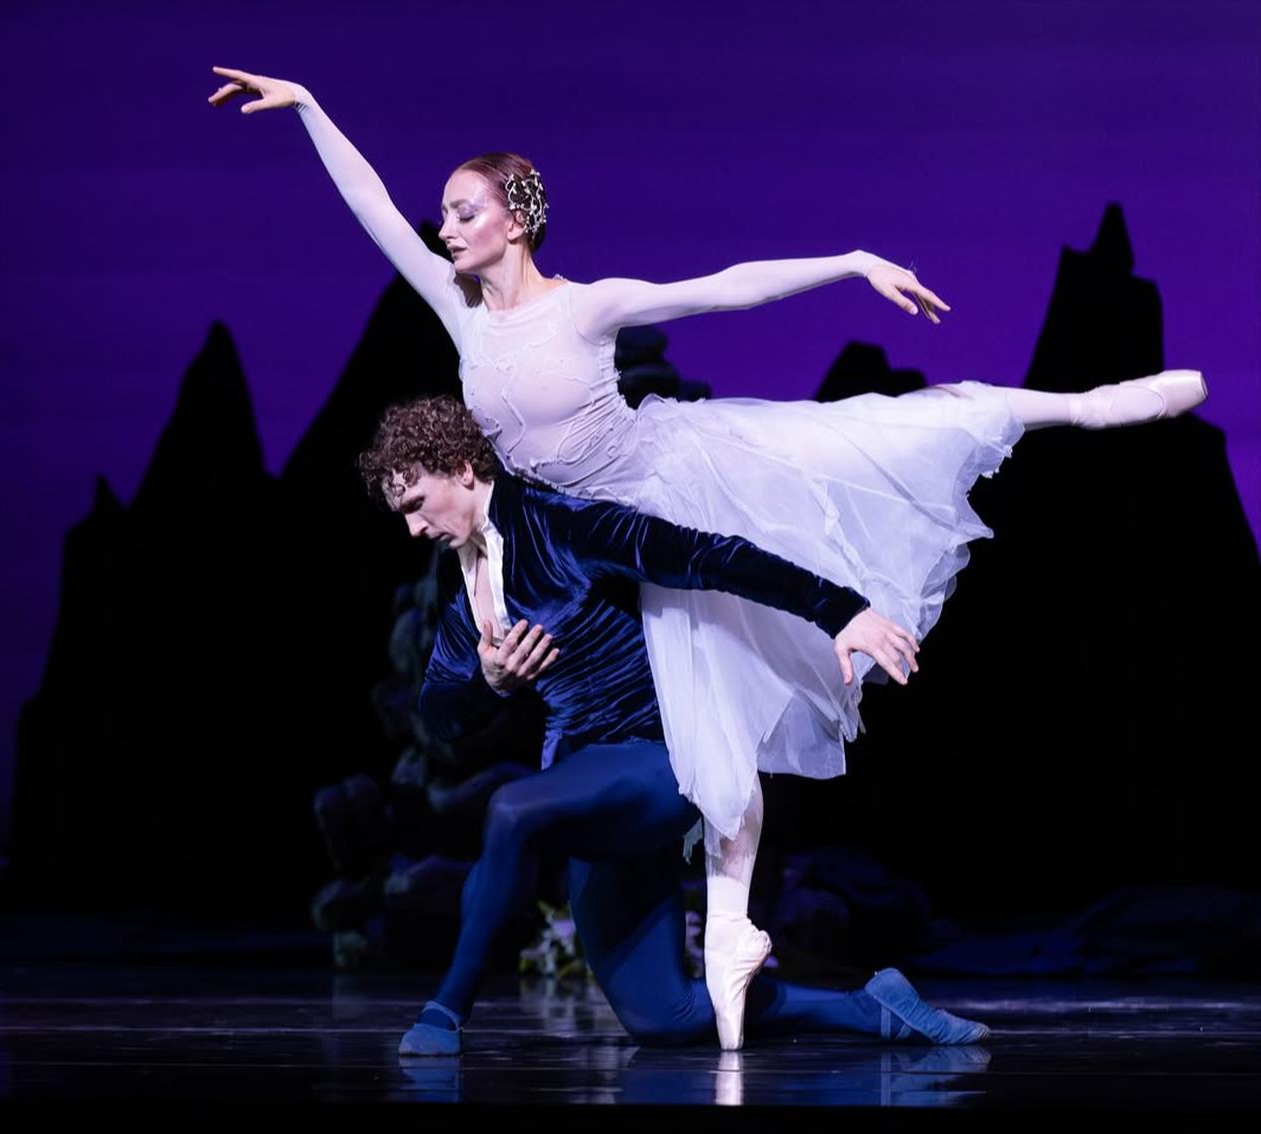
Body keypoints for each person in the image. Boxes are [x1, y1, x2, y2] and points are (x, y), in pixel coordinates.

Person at [208, 67, 1208, 1049]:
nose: (444, 228)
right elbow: (371, 209)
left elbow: (721, 291)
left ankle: (1082, 405)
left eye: (463, 211)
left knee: (871, 443)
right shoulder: (458, 316)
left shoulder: (582, 308)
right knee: (664, 1012)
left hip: (655, 492)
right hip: (573, 543)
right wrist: (308, 107)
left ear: (514, 219)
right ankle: (838, 992)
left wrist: (850, 261)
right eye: (444, 213)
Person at [358, 395, 982, 1056]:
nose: (413, 530)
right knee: (668, 1017)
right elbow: (437, 711)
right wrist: (488, 683)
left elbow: (708, 556)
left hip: (657, 761)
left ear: (460, 469)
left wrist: (840, 611)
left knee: (511, 810)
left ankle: (446, 1012)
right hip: (579, 787)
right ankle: (872, 1009)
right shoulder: (468, 598)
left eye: (415, 505)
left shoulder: (564, 528)